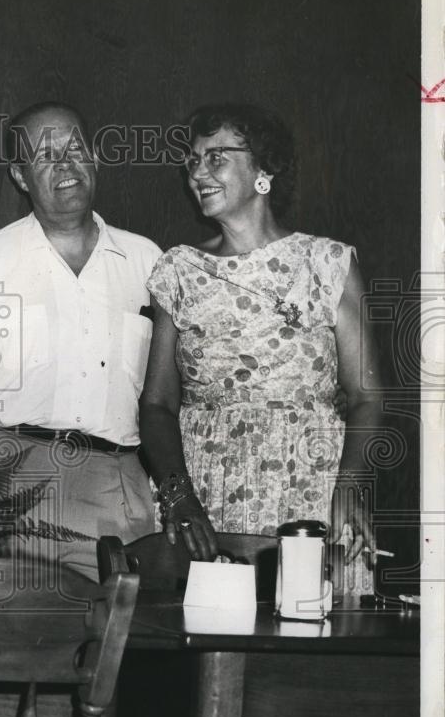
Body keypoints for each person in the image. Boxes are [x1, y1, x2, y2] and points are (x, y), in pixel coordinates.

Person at [139, 103, 380, 591]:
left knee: (315, 639)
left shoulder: (327, 262)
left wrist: (350, 490)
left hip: (313, 485)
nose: (198, 173)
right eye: (193, 160)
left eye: (216, 157)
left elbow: (368, 395)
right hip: (206, 495)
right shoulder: (179, 270)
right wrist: (178, 496)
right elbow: (157, 404)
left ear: (264, 169)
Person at [0, 102, 162, 580]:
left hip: (118, 486)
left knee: (123, 642)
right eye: (44, 155)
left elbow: (167, 395)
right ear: (19, 176)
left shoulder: (146, 261)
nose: (64, 163)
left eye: (74, 147)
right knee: (18, 647)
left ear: (95, 157)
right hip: (12, 482)